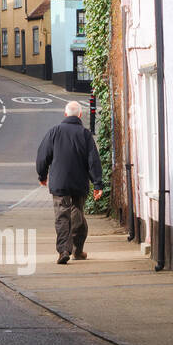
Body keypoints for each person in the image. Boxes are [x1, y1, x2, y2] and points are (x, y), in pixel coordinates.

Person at [35, 101, 104, 265]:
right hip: (79, 183)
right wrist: (97, 184)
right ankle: (77, 250)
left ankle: (64, 251)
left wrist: (42, 175)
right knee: (77, 215)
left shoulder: (54, 132)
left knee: (62, 217)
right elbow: (93, 160)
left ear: (65, 114)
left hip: (59, 182)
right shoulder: (85, 134)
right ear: (80, 115)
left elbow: (43, 156)